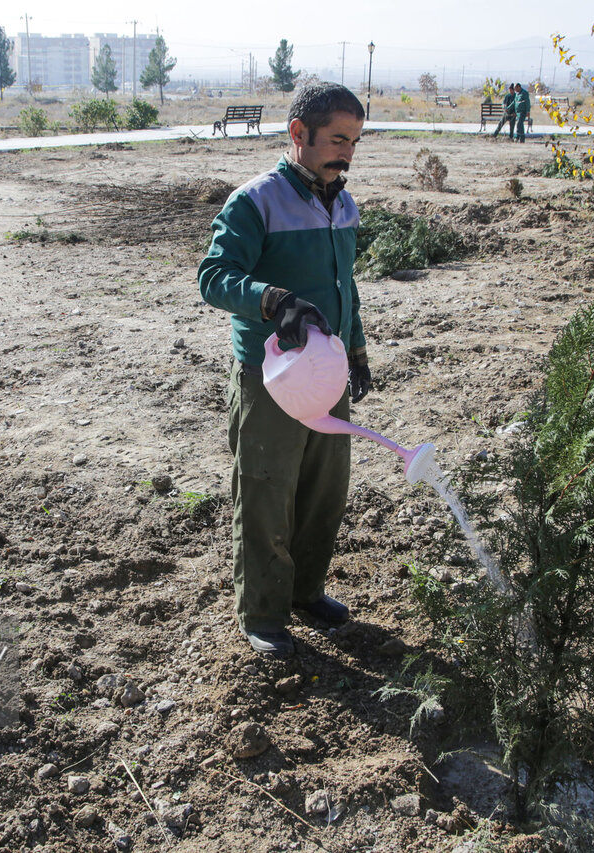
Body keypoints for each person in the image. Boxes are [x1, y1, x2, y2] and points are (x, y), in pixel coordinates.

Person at [198, 82, 371, 658]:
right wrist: (273, 300)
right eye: (336, 139)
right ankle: (265, 612)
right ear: (299, 134)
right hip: (269, 376)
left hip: (327, 372)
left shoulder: (342, 204)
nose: (345, 152)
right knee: (267, 489)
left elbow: (346, 286)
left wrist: (358, 348)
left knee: (325, 487)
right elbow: (214, 277)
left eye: (354, 141)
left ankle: (305, 590)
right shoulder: (255, 201)